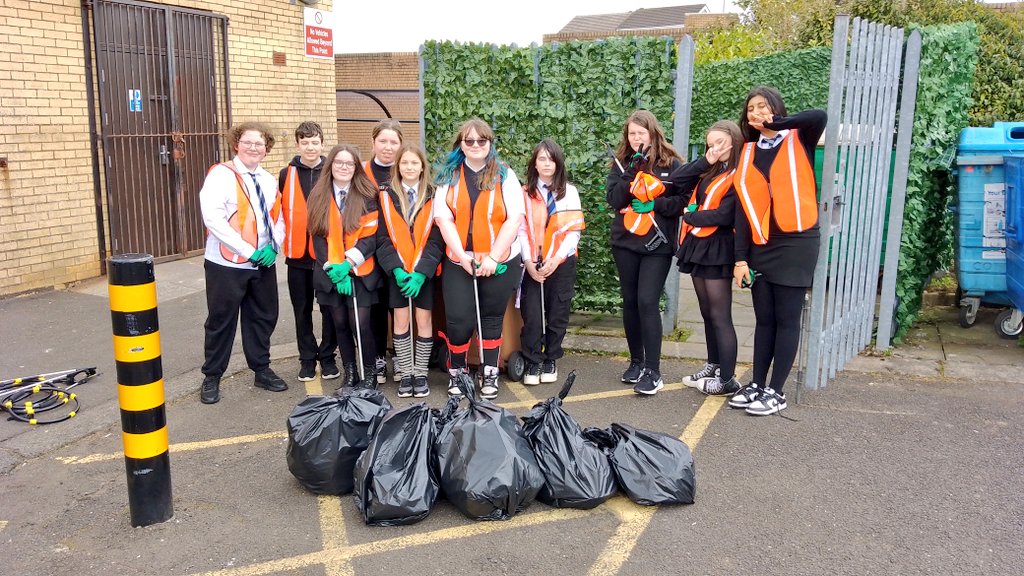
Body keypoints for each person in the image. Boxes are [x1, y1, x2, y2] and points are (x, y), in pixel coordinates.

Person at [730, 86, 827, 416]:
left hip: (797, 243)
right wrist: (740, 258)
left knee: (787, 319)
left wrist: (779, 122)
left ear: (776, 108)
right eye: (751, 108)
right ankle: (757, 383)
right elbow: (742, 211)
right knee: (764, 319)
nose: (755, 112)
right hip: (761, 244)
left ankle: (776, 390)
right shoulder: (746, 152)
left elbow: (819, 116)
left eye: (762, 106)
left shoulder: (799, 138)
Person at [605, 110, 706, 396]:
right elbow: (614, 199)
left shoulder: (671, 164)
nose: (637, 138)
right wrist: (631, 174)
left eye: (642, 133)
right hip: (625, 242)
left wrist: (655, 206)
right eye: (632, 133)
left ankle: (653, 370)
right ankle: (636, 361)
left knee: (648, 301)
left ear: (652, 133)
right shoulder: (623, 164)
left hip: (656, 245)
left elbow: (684, 201)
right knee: (631, 302)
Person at [433, 118, 525, 400]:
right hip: (459, 260)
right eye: (469, 141)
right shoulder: (449, 175)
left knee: (491, 319)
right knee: (459, 320)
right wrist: (461, 256)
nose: (475, 146)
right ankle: (458, 372)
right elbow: (443, 217)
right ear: (461, 144)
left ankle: (489, 372)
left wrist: (494, 258)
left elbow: (514, 219)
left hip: (500, 260)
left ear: (490, 144)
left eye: (481, 141)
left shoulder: (505, 175)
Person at [198, 121, 286, 404]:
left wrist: (274, 246)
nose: (253, 147)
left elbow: (278, 217)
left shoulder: (268, 180)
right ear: (236, 144)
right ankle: (212, 376)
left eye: (259, 143)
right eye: (247, 142)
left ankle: (261, 369)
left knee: (262, 317)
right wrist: (248, 251)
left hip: (263, 262)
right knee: (221, 320)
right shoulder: (221, 175)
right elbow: (213, 220)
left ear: (266, 149)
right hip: (228, 264)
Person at [306, 144, 382, 390]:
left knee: (360, 324)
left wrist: (348, 264)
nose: (344, 167)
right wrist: (333, 269)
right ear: (330, 165)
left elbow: (371, 236)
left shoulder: (367, 194)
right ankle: (350, 373)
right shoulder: (317, 195)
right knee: (339, 324)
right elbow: (317, 236)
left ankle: (368, 373)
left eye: (349, 163)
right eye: (339, 162)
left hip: (360, 271)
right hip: (330, 272)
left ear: (356, 167)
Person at [676, 120, 743, 397]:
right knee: (706, 313)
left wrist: (690, 215)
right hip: (700, 244)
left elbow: (725, 215)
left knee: (720, 315)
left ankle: (727, 379)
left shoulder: (740, 173)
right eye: (710, 143)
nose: (715, 147)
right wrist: (707, 158)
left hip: (719, 247)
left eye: (720, 142)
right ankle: (714, 365)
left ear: (734, 142)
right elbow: (678, 178)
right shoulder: (713, 169)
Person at [375, 143, 444, 398]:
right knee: (401, 321)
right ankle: (405, 373)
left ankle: (420, 374)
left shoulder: (435, 195)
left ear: (422, 166)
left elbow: (437, 240)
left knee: (424, 321)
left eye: (415, 163)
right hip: (399, 273)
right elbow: (381, 238)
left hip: (422, 274)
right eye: (405, 163)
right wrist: (396, 270)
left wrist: (422, 272)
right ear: (398, 166)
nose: (410, 167)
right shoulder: (385, 195)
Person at [518, 139, 585, 385]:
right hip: (532, 263)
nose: (547, 164)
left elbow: (573, 232)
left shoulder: (570, 192)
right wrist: (528, 262)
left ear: (559, 163)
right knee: (532, 313)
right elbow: (521, 231)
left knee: (558, 313)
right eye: (542, 159)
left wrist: (556, 259)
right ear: (534, 163)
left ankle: (550, 358)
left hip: (562, 262)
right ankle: (532, 360)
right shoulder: (524, 194)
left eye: (551, 159)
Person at [278, 121, 340, 383]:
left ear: (322, 144)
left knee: (329, 308)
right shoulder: (285, 174)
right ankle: (306, 358)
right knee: (301, 310)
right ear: (297, 145)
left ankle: (327, 357)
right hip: (297, 256)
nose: (310, 147)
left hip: (325, 255)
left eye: (315, 142)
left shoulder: (333, 171)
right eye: (305, 142)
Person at [363, 119, 404, 385]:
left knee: (397, 306)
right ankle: (377, 358)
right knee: (374, 307)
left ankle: (401, 357)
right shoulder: (361, 171)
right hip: (367, 250)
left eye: (394, 142)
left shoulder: (406, 169)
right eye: (383, 141)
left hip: (398, 252)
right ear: (374, 142)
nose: (388, 147)